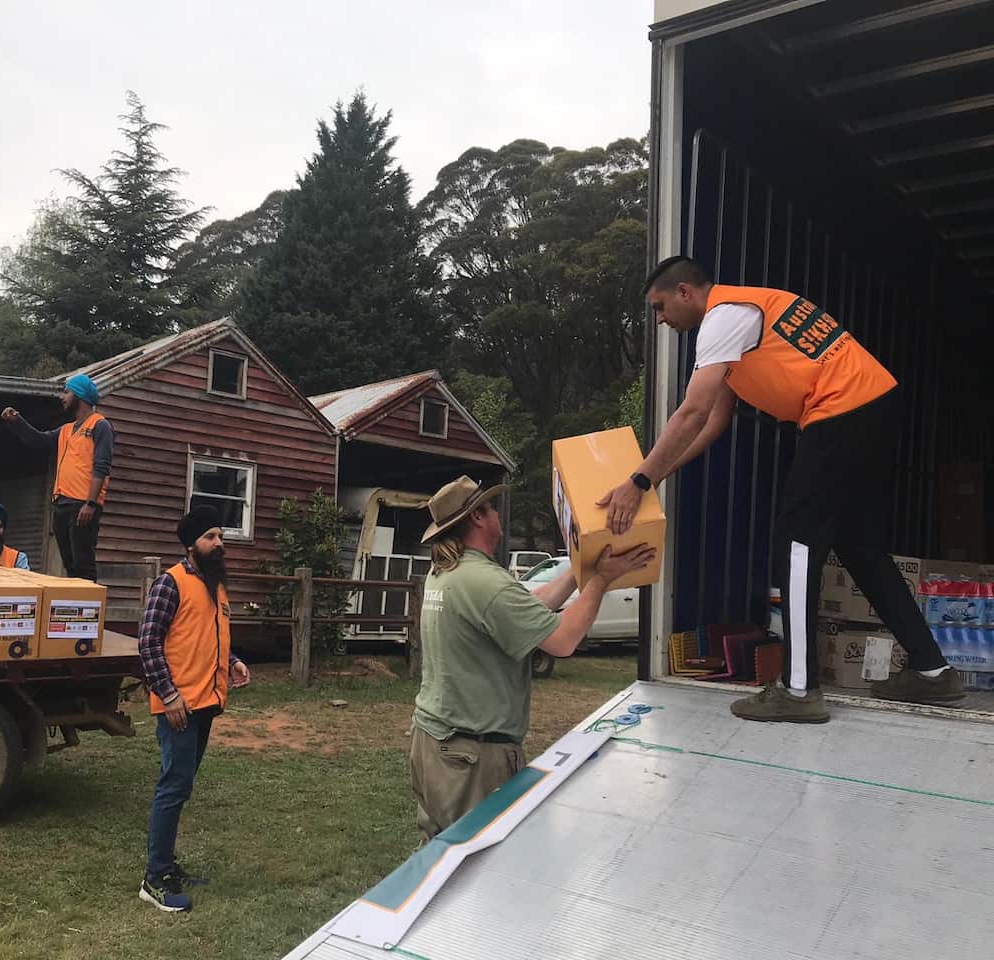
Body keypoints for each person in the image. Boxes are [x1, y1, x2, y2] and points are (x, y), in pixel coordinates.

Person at [599, 256, 961, 724]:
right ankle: (934, 672)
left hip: (840, 412)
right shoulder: (741, 318)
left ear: (685, 291)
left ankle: (798, 690)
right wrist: (655, 476)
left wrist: (638, 480)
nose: (660, 319)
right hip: (872, 407)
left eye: (660, 306)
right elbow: (712, 422)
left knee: (796, 544)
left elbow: (691, 411)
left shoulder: (724, 316)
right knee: (861, 549)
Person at [411, 476, 654, 841]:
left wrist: (580, 570)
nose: (498, 516)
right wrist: (602, 579)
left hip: (434, 743)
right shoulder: (484, 581)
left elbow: (528, 607)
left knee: (439, 852)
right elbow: (563, 640)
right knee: (480, 856)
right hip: (471, 757)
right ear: (477, 517)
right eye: (492, 508)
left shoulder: (448, 571)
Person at [137, 504, 251, 913]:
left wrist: (233, 660)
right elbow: (148, 641)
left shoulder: (215, 586)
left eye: (221, 536)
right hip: (180, 706)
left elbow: (206, 634)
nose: (219, 543)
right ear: (191, 545)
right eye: (210, 537)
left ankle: (167, 865)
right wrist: (168, 695)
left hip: (206, 703)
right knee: (173, 788)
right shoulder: (171, 583)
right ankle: (155, 879)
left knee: (181, 786)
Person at [1, 373, 113, 582]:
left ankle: (88, 603)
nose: (63, 397)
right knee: (70, 566)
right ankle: (74, 602)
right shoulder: (66, 430)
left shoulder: (100, 425)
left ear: (80, 395)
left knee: (83, 564)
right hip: (61, 504)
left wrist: (90, 504)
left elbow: (102, 466)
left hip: (82, 505)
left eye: (67, 392)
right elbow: (38, 440)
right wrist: (17, 422)